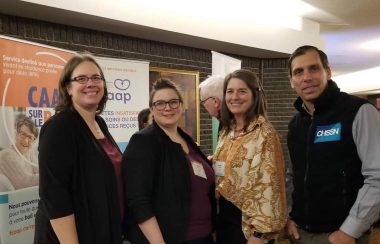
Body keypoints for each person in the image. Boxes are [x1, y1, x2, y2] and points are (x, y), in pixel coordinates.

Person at [286, 45, 380, 244]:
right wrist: (289, 215)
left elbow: (377, 176)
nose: (306, 77)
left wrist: (349, 231)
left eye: (314, 68)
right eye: (298, 72)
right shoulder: (296, 123)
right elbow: (292, 175)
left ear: (328, 72)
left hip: (342, 235)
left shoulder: (359, 111)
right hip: (299, 234)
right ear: (292, 81)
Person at [34, 54, 123, 244]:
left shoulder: (99, 122)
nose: (90, 83)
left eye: (96, 78)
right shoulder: (59, 127)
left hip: (101, 229)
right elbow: (54, 195)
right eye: (81, 79)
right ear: (68, 88)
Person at [123, 78, 216, 244]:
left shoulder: (187, 140)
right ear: (152, 109)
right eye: (160, 103)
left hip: (206, 236)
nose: (167, 108)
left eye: (173, 102)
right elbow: (138, 201)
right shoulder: (144, 141)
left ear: (181, 105)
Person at [213, 69, 287, 244]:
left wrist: (258, 234)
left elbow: (271, 187)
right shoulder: (226, 131)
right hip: (224, 219)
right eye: (230, 91)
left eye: (242, 91)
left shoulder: (265, 134)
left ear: (255, 95)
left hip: (249, 226)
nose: (234, 97)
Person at [0, 114, 39, 190]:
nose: (25, 140)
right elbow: (25, 183)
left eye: (30, 137)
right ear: (16, 134)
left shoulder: (28, 154)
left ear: (34, 141)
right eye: (23, 134)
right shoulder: (7, 154)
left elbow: (40, 170)